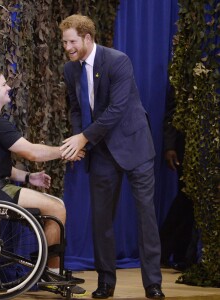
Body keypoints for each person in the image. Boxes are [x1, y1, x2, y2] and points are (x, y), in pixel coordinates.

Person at [59, 15, 165, 299]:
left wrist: (83, 137)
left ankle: (153, 283)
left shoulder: (118, 61)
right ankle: (106, 282)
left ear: (87, 38)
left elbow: (117, 110)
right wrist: (79, 139)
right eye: (64, 41)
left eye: (72, 41)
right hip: (101, 151)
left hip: (135, 146)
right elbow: (76, 110)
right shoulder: (70, 70)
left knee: (146, 217)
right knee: (101, 220)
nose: (67, 47)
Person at [0, 68, 85, 288]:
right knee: (57, 207)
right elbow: (32, 152)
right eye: (4, 84)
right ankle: (51, 273)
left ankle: (45, 269)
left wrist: (29, 177)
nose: (9, 87)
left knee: (51, 206)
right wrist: (65, 150)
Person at [159, 88, 197, 271]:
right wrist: (169, 145)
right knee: (187, 196)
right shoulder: (190, 65)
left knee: (194, 201)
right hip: (189, 143)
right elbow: (173, 110)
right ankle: (164, 251)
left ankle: (184, 256)